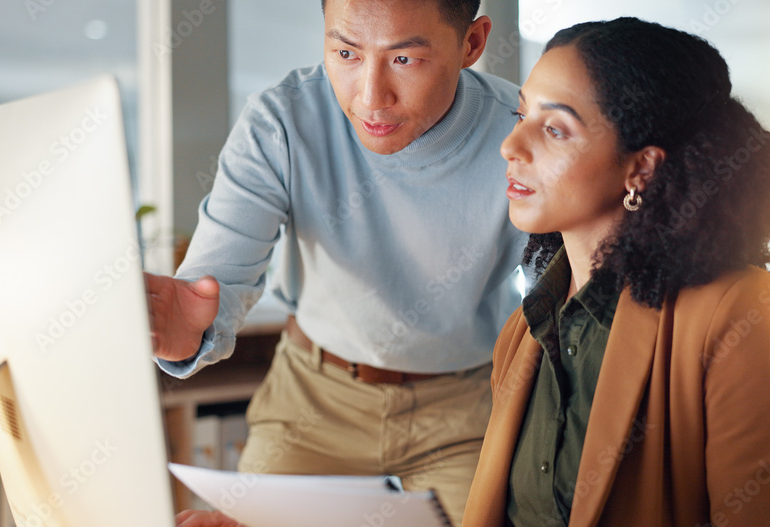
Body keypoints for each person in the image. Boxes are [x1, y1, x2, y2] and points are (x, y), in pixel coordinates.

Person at [147, 0, 527, 524]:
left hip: (464, 406)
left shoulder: (523, 134)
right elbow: (220, 275)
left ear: (472, 44)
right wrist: (193, 322)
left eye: (404, 60)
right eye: (346, 52)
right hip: (313, 397)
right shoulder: (282, 120)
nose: (370, 97)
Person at [461, 17, 770, 526]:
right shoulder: (525, 331)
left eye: (555, 128)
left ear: (642, 168)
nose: (510, 147)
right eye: (521, 115)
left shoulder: (737, 315)